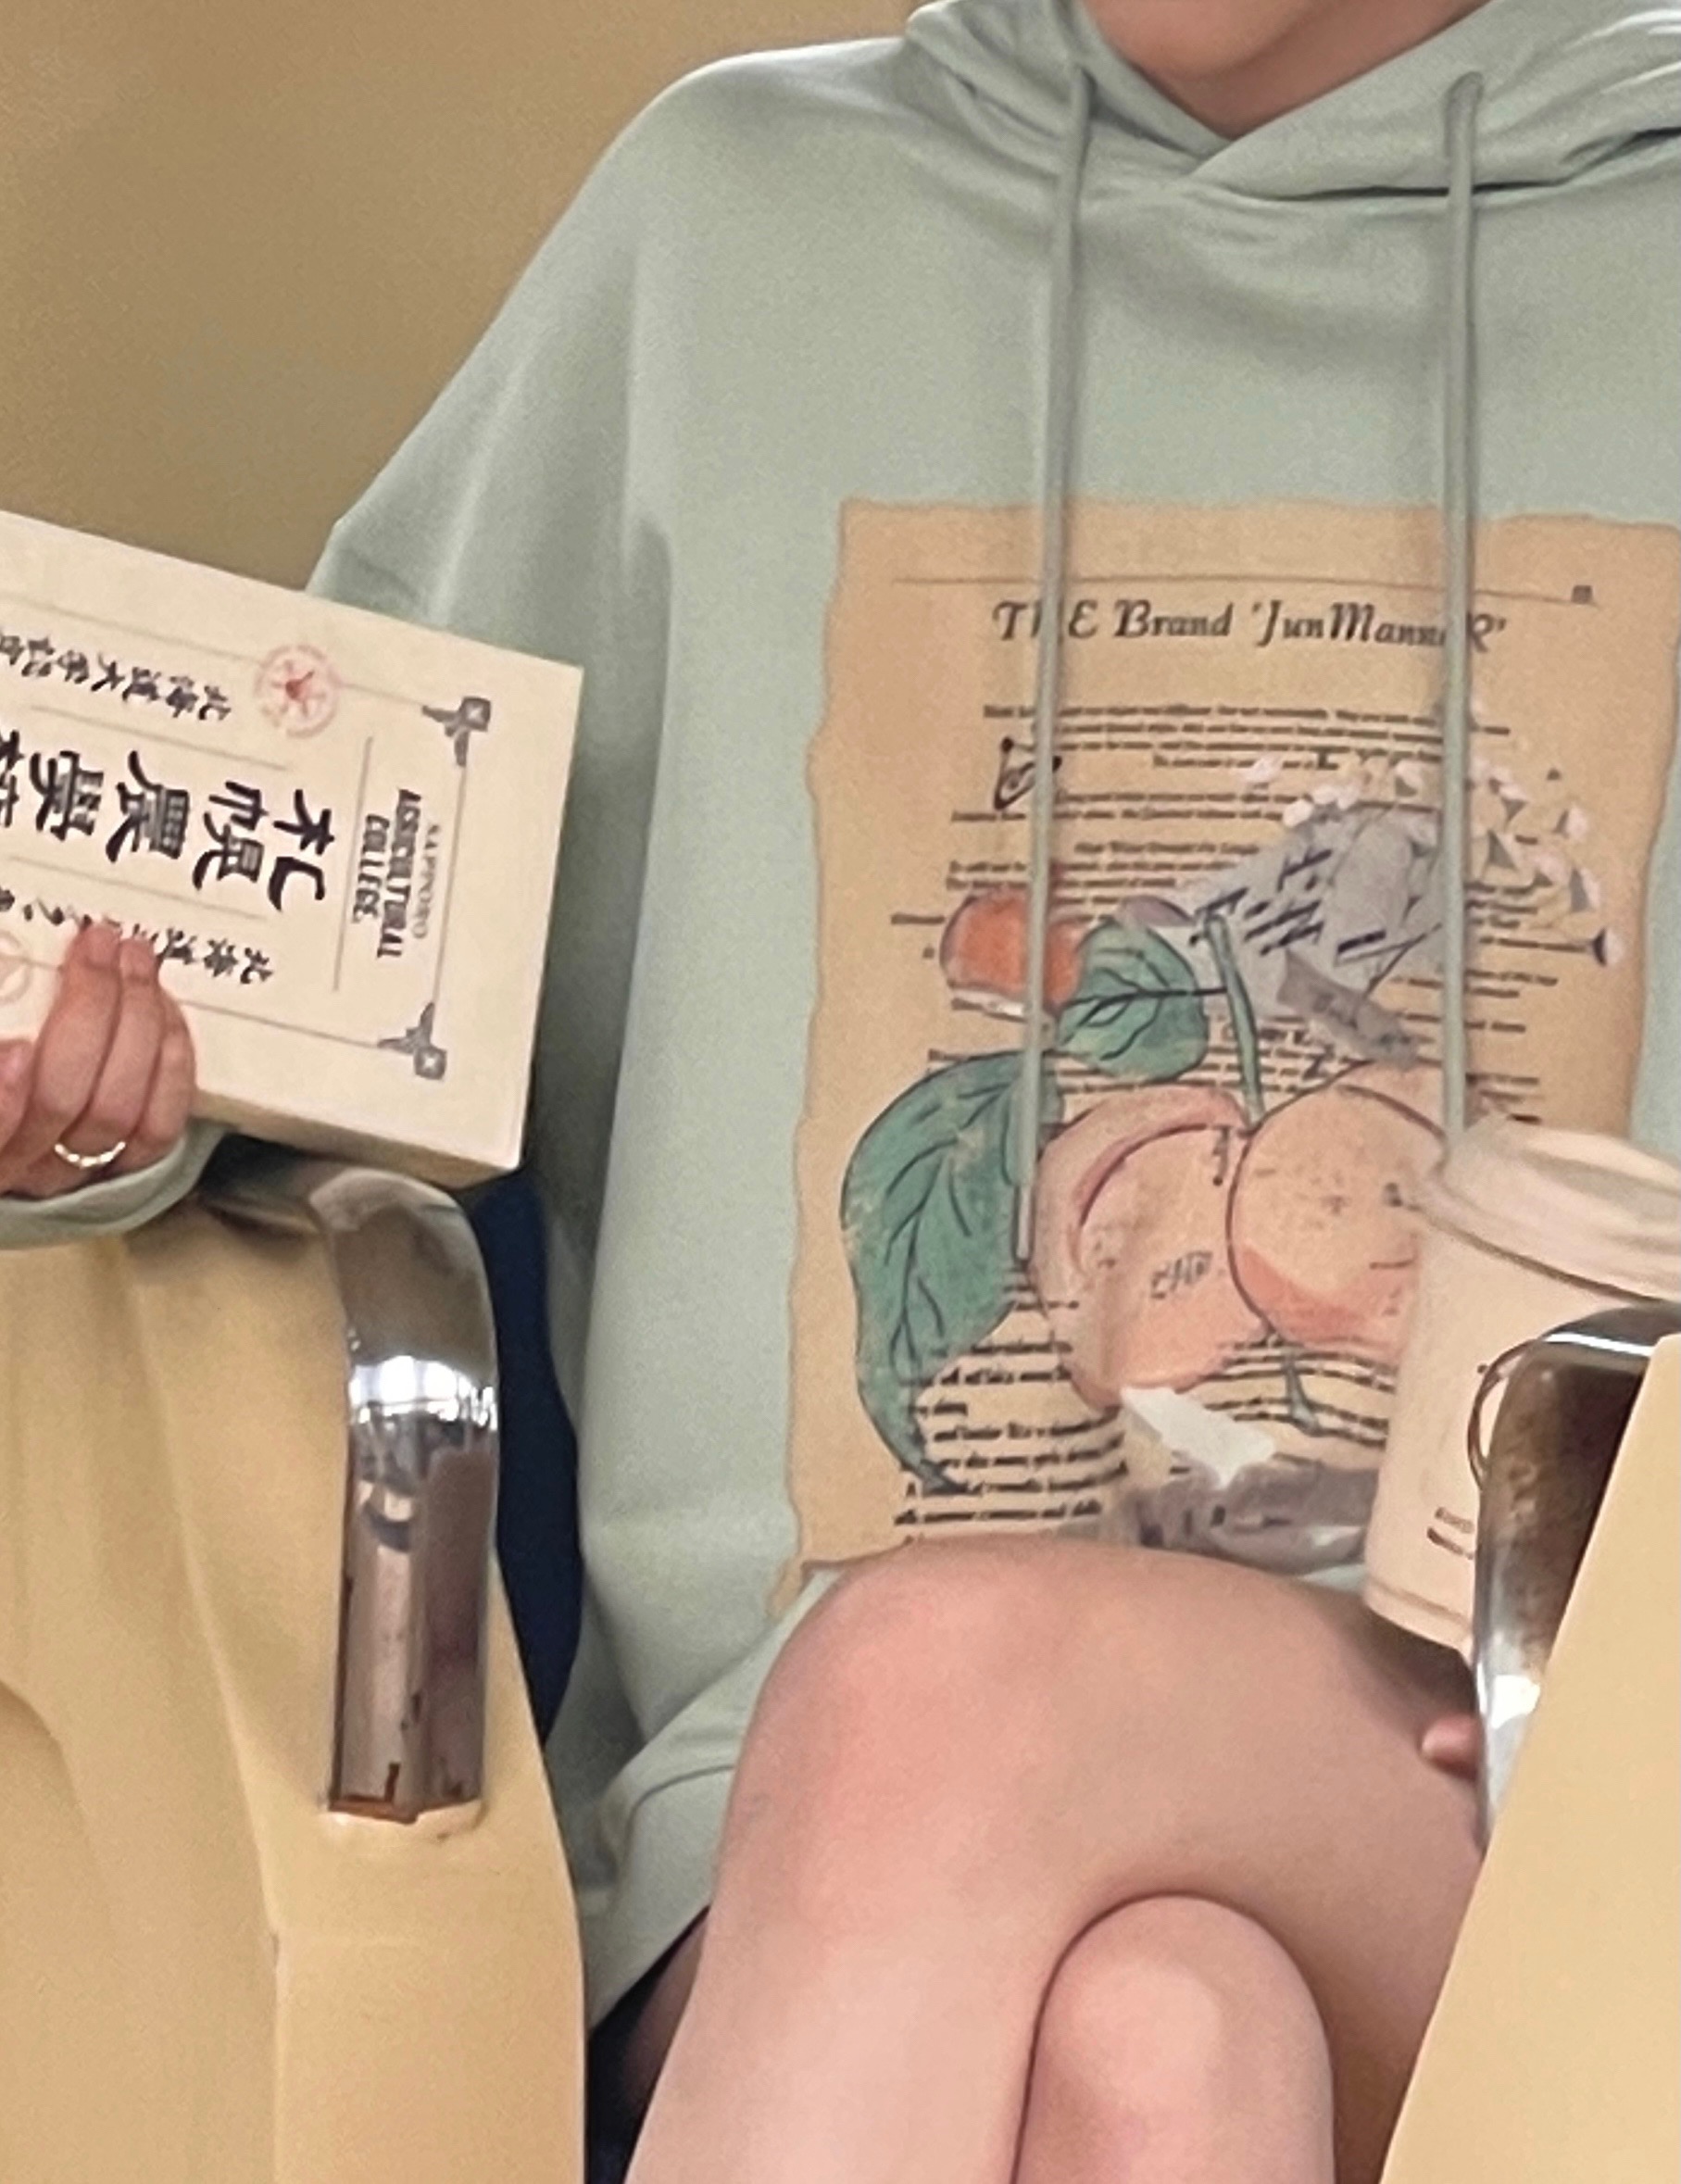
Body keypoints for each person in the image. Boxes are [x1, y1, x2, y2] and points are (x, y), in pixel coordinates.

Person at [4, 0, 1677, 2174]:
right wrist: (102, 1100)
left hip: (1537, 1808)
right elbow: (324, 943)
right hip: (789, 1851)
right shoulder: (735, 227)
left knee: (933, 1687)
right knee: (1161, 2043)